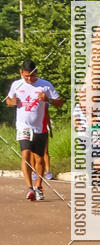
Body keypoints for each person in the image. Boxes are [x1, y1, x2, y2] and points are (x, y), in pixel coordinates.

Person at [5, 59, 64, 201]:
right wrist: (11, 102)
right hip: (23, 126)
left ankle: (38, 187)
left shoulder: (45, 85)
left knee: (39, 158)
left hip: (40, 127)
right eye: (26, 76)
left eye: (32, 75)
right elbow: (8, 99)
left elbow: (60, 102)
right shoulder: (16, 85)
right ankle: (29, 188)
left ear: (36, 72)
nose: (29, 79)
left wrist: (47, 99)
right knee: (25, 154)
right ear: (21, 73)